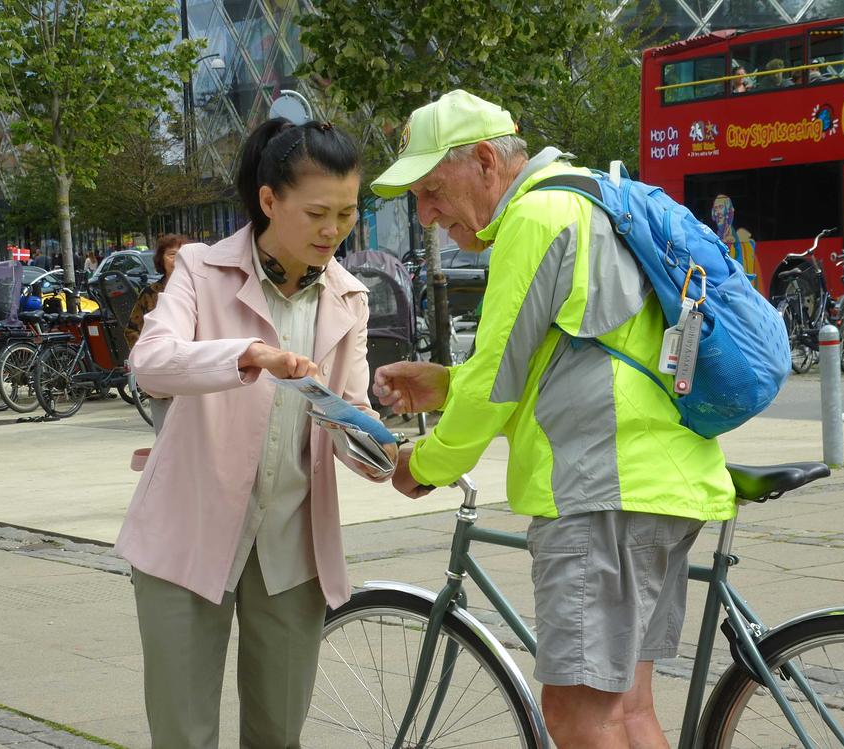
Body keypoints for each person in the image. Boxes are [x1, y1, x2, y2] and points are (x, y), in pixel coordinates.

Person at [370, 90, 736, 749]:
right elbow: (560, 360)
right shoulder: (585, 198)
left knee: (577, 716)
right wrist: (447, 384)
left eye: (431, 190)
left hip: (602, 492)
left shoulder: (536, 217)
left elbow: (496, 378)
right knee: (627, 713)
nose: (425, 213)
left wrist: (423, 464)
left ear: (485, 161)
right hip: (657, 483)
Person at [116, 116, 394, 748]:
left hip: (291, 547)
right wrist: (248, 355)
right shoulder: (198, 269)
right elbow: (150, 364)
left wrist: (382, 444)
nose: (333, 231)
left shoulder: (348, 297)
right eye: (317, 213)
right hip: (186, 536)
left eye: (347, 214)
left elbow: (349, 412)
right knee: (183, 736)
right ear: (269, 201)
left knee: (278, 735)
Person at [123, 233, 187, 434]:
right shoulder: (150, 294)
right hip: (162, 378)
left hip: (192, 377)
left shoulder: (199, 292)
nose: (177, 260)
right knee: (165, 437)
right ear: (161, 259)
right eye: (172, 255)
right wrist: (149, 357)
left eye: (182, 255)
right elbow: (132, 330)